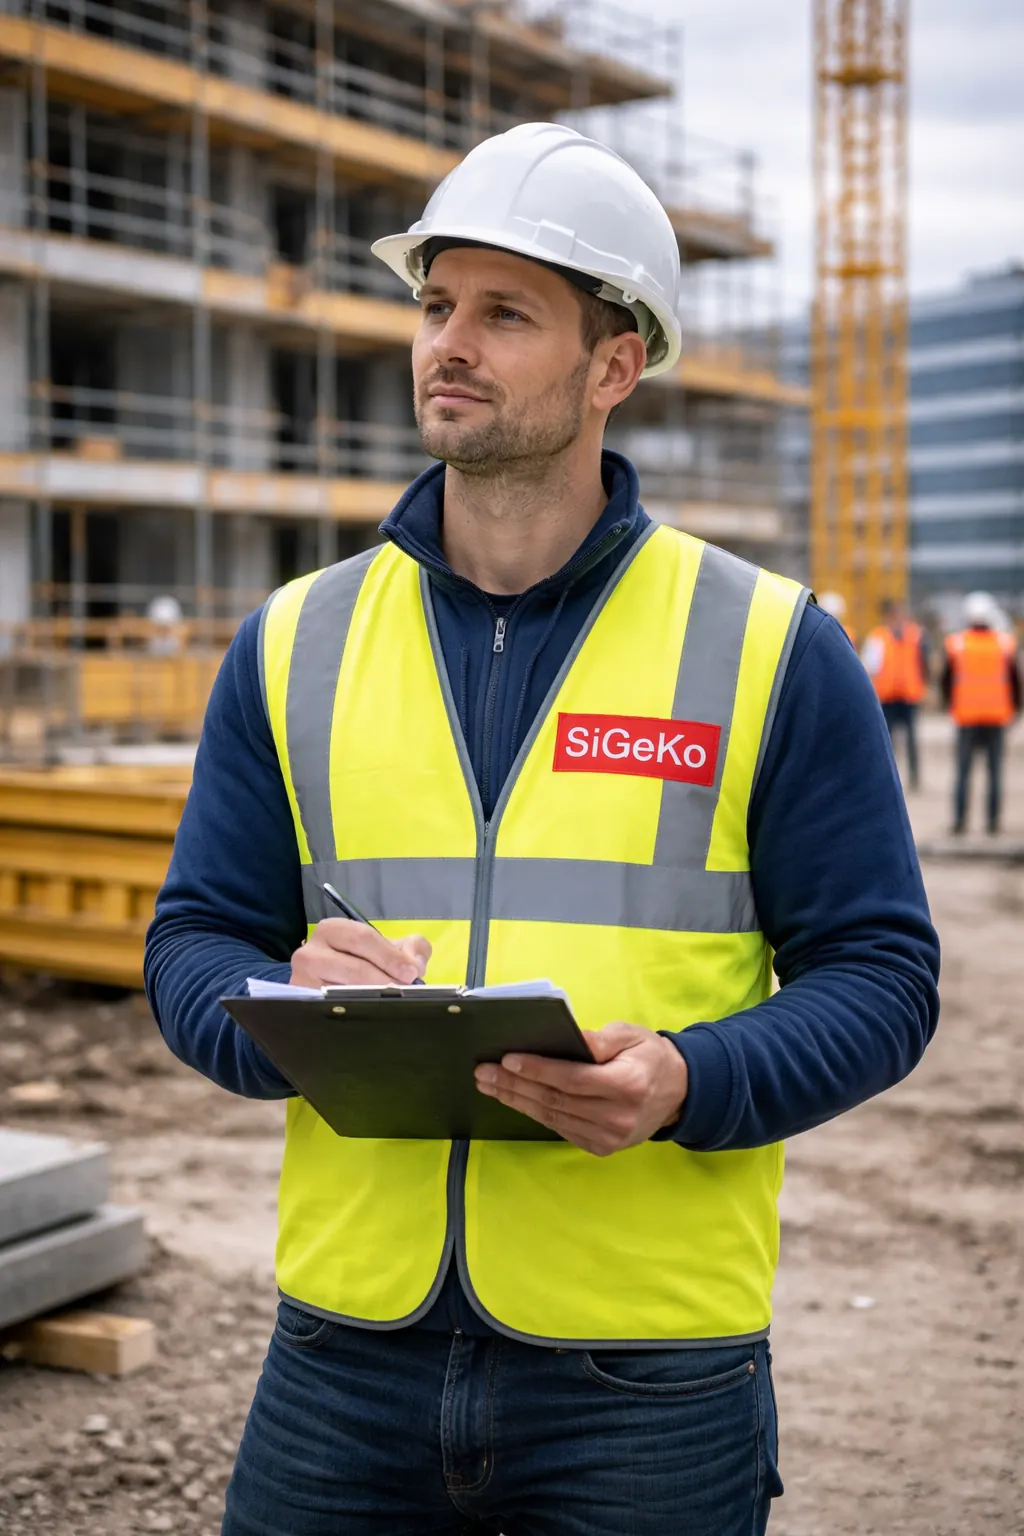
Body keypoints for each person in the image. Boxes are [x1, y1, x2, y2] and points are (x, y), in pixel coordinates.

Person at [145, 123, 939, 1536]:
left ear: (612, 368)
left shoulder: (768, 646)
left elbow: (883, 977)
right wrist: (276, 1005)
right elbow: (192, 941)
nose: (448, 344)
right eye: (436, 304)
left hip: (647, 1373)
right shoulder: (294, 640)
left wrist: (689, 1079)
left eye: (505, 314)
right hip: (343, 1352)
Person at [943, 590, 1021, 835]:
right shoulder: (1004, 643)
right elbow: (1015, 681)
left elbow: (946, 680)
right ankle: (993, 823)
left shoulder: (957, 644)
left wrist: (950, 706)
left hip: (966, 717)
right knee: (994, 772)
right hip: (996, 718)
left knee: (963, 772)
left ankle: (959, 822)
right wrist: (1015, 710)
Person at [862, 599, 929, 789]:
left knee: (911, 741)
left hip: (909, 696)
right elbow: (870, 666)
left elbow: (923, 662)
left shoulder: (916, 635)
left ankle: (914, 777)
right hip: (888, 697)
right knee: (887, 741)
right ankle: (888, 776)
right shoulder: (877, 638)